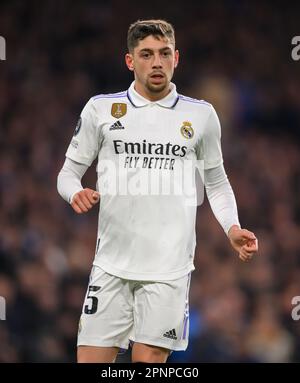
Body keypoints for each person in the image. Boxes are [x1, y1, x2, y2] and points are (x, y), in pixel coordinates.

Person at [57, 19, 258, 363]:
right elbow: (68, 173)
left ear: (176, 58)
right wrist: (74, 192)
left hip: (169, 272)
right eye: (146, 54)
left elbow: (217, 181)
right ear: (130, 61)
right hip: (110, 267)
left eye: (164, 53)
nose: (156, 62)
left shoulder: (201, 115)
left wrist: (232, 227)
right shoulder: (100, 109)